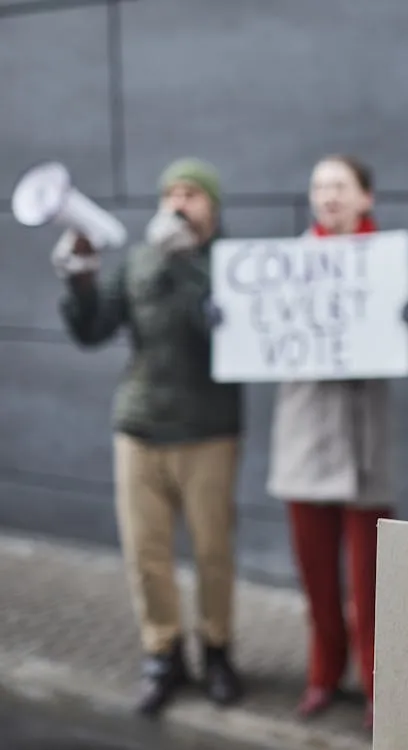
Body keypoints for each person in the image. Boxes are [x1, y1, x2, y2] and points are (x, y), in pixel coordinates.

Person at [51, 158, 244, 716]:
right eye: (171, 194)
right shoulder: (138, 260)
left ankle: (218, 649)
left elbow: (226, 338)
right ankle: (162, 650)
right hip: (139, 428)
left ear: (212, 205)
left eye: (192, 194)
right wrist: (81, 281)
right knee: (146, 554)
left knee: (213, 552)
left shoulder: (231, 265)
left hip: (209, 430)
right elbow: (93, 329)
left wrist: (186, 266)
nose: (179, 204)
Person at [268, 154, 408, 729]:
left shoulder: (386, 262)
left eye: (339, 185)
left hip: (363, 451)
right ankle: (322, 676)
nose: (327, 195)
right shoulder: (285, 266)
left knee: (371, 584)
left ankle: (380, 689)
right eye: (319, 186)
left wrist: (407, 323)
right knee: (316, 580)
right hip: (306, 443)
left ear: (365, 197)